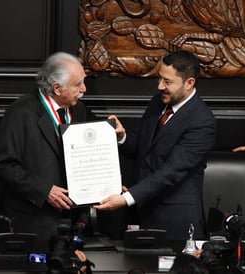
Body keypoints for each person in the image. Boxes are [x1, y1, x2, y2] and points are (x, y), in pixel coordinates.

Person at [93, 50, 217, 240]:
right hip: (140, 215)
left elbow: (170, 172)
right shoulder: (158, 103)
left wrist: (127, 198)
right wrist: (122, 137)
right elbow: (139, 147)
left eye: (167, 82)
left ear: (189, 83)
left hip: (174, 221)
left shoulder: (202, 122)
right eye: (159, 79)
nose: (160, 86)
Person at [0, 52, 95, 240]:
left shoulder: (79, 109)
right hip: (33, 221)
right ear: (57, 88)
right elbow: (3, 166)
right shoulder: (20, 113)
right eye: (77, 84)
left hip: (72, 220)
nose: (84, 89)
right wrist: (44, 190)